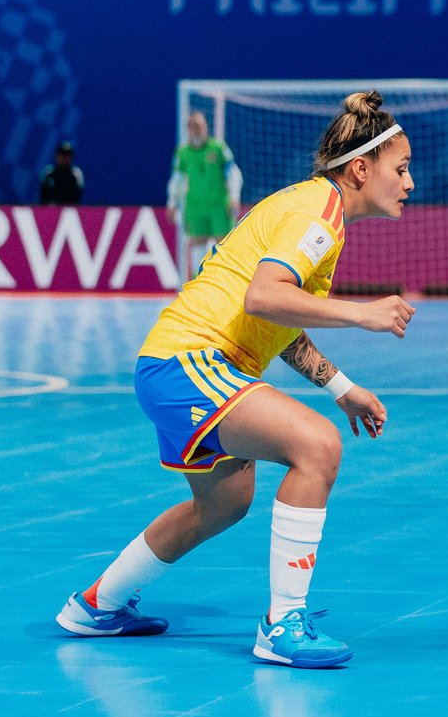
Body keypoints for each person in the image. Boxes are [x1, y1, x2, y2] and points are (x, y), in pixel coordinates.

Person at [56, 91, 417, 667]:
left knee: (223, 504)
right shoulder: (318, 212)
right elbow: (265, 294)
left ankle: (98, 604)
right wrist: (363, 313)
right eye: (400, 169)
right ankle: (282, 627)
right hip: (191, 362)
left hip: (173, 367)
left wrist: (341, 386)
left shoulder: (313, 210)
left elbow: (277, 320)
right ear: (360, 168)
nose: (409, 182)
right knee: (317, 446)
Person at [167, 111, 243, 277]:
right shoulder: (182, 153)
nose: (197, 131)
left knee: (224, 244)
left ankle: (226, 281)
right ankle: (198, 282)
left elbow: (233, 174)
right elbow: (177, 180)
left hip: (219, 206)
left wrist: (234, 198)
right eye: (194, 127)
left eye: (200, 127)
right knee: (197, 244)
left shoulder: (218, 148)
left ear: (206, 127)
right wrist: (172, 203)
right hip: (194, 207)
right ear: (188, 129)